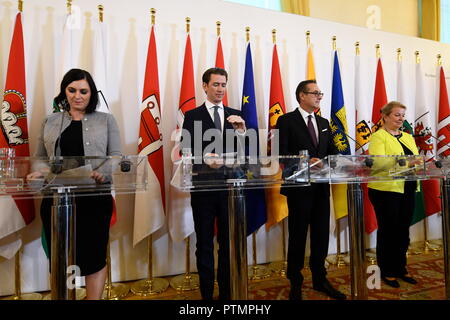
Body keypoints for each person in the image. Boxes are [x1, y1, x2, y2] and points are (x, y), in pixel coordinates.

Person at [27, 68, 122, 300]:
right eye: (72, 90)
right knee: (62, 258)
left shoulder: (106, 120)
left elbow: (117, 155)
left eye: (83, 91)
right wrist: (40, 172)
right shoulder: (49, 121)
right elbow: (40, 157)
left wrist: (104, 173)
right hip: (57, 201)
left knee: (93, 257)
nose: (77, 96)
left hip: (94, 200)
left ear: (92, 94)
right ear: (64, 91)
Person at [276, 79, 346, 300]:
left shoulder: (324, 122)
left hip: (321, 188)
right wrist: (305, 162)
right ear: (301, 96)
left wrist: (327, 162)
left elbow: (333, 152)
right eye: (315, 93)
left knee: (320, 235)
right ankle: (295, 282)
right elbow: (281, 153)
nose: (318, 96)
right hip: (299, 188)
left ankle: (319, 279)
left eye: (320, 93)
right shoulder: (285, 120)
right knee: (298, 236)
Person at [181, 67, 246, 300]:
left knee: (228, 245)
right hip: (204, 190)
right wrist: (205, 159)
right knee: (205, 245)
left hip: (230, 189)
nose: (220, 89)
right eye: (216, 84)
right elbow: (185, 150)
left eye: (223, 84)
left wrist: (241, 132)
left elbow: (244, 154)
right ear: (205, 86)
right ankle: (207, 296)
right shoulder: (192, 115)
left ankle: (227, 294)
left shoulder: (236, 115)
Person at [368, 101, 420, 288]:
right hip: (386, 190)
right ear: (386, 116)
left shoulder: (408, 137)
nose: (401, 119)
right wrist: (407, 163)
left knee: (403, 231)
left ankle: (400, 268)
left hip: (408, 187)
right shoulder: (378, 137)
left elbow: (418, 159)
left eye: (403, 115)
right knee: (388, 231)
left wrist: (414, 163)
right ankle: (387, 270)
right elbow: (380, 164)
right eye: (397, 115)